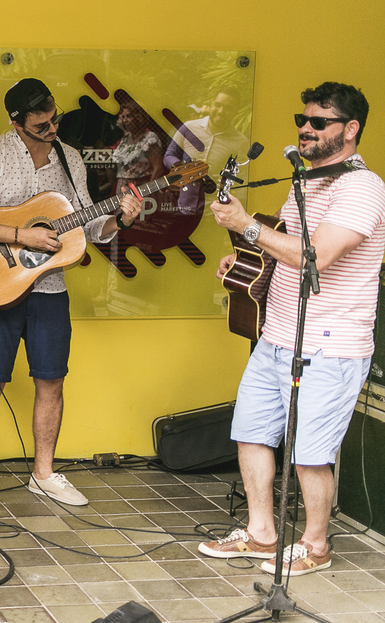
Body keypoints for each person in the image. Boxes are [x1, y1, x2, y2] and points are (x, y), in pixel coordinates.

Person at [203, 82, 385, 576]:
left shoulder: (363, 188)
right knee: (251, 433)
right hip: (278, 334)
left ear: (350, 130)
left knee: (309, 454)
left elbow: (317, 257)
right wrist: (245, 260)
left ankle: (316, 545)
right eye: (302, 120)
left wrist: (246, 227)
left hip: (330, 346)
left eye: (319, 122)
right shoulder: (305, 180)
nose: (306, 128)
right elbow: (284, 245)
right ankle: (262, 534)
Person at [0, 78, 141, 517]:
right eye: (41, 125)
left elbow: (91, 227)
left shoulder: (71, 159)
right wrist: (21, 234)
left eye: (54, 120)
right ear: (17, 123)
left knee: (51, 380)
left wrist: (121, 221)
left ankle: (44, 473)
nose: (52, 129)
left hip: (50, 289)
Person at [165, 89, 250, 215]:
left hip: (216, 214)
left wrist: (242, 213)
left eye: (228, 108)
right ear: (211, 104)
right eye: (218, 105)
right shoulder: (189, 127)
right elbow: (169, 155)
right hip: (182, 208)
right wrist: (180, 167)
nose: (220, 111)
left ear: (235, 112)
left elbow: (243, 179)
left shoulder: (240, 142)